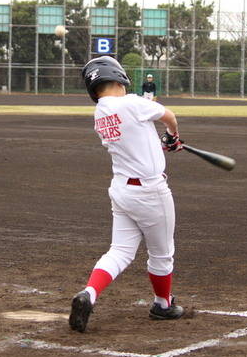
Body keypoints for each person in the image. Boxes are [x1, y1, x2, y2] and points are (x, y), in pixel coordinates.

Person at [69, 56, 194, 333]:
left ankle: (89, 293)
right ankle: (162, 304)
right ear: (118, 77)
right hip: (150, 191)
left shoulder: (100, 113)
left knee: (120, 251)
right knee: (162, 254)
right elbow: (170, 117)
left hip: (122, 190)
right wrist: (173, 136)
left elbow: (136, 141)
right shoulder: (132, 102)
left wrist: (162, 144)